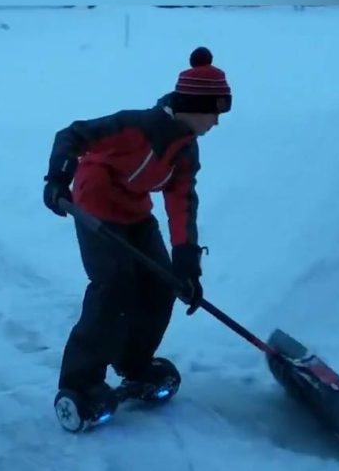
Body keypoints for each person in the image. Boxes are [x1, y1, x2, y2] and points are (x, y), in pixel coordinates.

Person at [43, 46, 232, 418]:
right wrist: (58, 178)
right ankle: (79, 382)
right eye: (214, 113)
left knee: (163, 283)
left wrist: (186, 263)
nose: (216, 123)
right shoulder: (136, 126)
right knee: (113, 285)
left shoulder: (186, 151)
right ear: (194, 105)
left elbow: (182, 202)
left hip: (134, 212)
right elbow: (72, 135)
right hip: (95, 204)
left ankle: (134, 362)